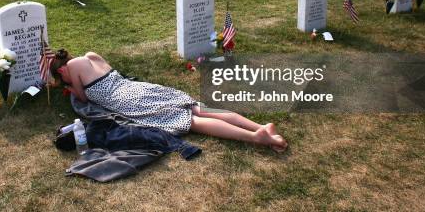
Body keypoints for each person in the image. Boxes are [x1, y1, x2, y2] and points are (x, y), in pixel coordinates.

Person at [49, 50, 288, 152]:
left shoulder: (72, 67)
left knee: (191, 121)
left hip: (127, 100)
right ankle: (260, 127)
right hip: (136, 87)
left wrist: (69, 87)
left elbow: (81, 97)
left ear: (61, 72)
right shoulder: (92, 56)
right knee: (198, 107)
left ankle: (256, 137)